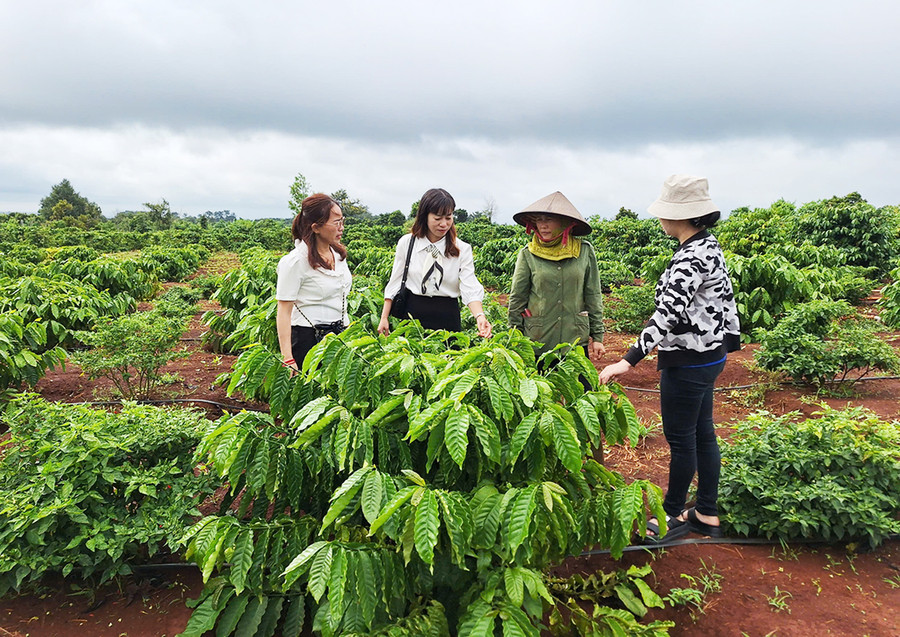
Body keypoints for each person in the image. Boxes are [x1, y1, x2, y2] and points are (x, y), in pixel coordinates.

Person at [599, 175, 741, 543]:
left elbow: (668, 315)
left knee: (681, 440)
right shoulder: (708, 246)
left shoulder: (689, 258)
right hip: (710, 355)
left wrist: (627, 360)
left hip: (688, 361)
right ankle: (706, 512)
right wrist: (728, 344)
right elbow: (727, 300)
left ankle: (672, 512)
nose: (659, 218)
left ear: (680, 215)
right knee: (703, 433)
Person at [378, 188, 492, 338]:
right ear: (424, 216)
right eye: (437, 218)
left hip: (447, 317)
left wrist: (480, 316)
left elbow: (469, 284)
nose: (444, 224)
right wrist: (384, 317)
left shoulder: (461, 249)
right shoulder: (407, 243)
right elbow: (395, 281)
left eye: (448, 217)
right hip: (412, 317)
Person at [507, 191, 606, 364]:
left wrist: (597, 336)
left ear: (565, 222)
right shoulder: (528, 254)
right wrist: (514, 336)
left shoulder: (584, 251)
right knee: (540, 389)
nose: (542, 225)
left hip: (574, 338)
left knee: (581, 389)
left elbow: (593, 295)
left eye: (548, 220)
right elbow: (518, 298)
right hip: (538, 339)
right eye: (538, 220)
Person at [276, 193, 352, 371]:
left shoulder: (339, 256)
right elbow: (284, 311)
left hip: (341, 335)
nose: (341, 228)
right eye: (336, 222)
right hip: (308, 339)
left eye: (342, 221)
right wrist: (287, 357)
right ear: (316, 227)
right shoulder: (295, 262)